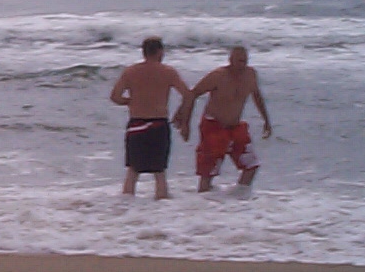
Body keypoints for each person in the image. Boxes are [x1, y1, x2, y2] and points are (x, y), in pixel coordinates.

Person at [177, 45, 272, 192]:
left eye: (245, 61)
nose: (242, 65)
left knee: (251, 166)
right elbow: (192, 94)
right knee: (209, 172)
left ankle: (238, 199)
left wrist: (266, 120)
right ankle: (203, 201)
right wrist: (185, 123)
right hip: (213, 126)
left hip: (235, 127)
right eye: (239, 61)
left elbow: (257, 96)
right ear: (230, 60)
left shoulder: (250, 74)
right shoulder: (218, 76)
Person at [109, 37, 192, 199]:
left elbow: (115, 97)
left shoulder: (130, 72)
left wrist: (131, 101)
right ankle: (161, 207)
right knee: (159, 172)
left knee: (133, 171)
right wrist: (180, 113)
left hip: (137, 124)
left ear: (144, 52)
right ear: (160, 52)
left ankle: (125, 206)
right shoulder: (168, 72)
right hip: (158, 124)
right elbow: (188, 95)